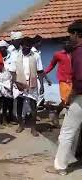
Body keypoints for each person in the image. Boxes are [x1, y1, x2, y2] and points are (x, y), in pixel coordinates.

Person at [46, 20, 82, 176]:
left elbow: (80, 79)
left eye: (70, 35)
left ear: (76, 34)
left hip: (80, 96)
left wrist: (71, 96)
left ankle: (60, 166)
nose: (70, 39)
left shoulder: (78, 52)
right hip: (67, 85)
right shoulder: (62, 54)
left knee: (66, 132)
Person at [9, 37, 44, 137]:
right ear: (21, 46)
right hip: (19, 84)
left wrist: (41, 85)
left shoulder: (36, 56)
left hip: (32, 84)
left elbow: (40, 71)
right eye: (25, 46)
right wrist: (16, 84)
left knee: (33, 106)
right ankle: (20, 124)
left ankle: (33, 128)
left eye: (29, 47)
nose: (27, 48)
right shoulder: (15, 56)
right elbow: (12, 72)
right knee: (19, 105)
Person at [44, 44, 73, 124]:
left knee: (72, 100)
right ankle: (56, 113)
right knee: (65, 101)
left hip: (74, 80)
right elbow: (52, 65)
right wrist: (44, 73)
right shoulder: (58, 54)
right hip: (64, 81)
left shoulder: (74, 54)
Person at [0, 40, 14, 129]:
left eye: (3, 48)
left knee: (6, 102)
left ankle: (5, 120)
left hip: (7, 82)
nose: (1, 50)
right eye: (0, 48)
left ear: (5, 48)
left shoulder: (10, 57)